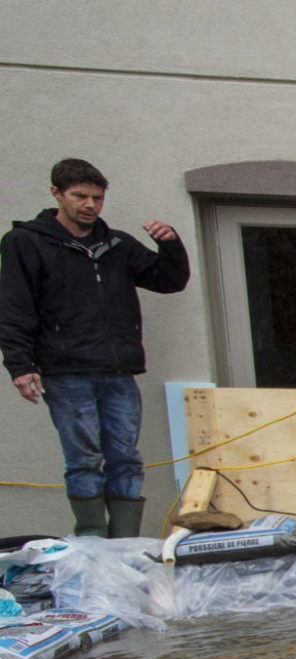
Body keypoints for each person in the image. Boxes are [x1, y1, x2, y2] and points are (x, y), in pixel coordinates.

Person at [0, 158, 189, 538]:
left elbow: (168, 280)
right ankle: (91, 543)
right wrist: (20, 365)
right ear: (57, 194)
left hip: (118, 370)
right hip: (65, 372)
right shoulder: (26, 242)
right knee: (84, 460)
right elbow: (14, 307)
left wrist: (170, 244)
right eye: (80, 196)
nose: (89, 205)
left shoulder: (117, 243)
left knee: (126, 459)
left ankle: (124, 543)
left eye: (97, 198)